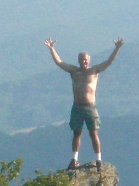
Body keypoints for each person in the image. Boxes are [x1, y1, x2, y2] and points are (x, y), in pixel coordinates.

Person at [45, 37, 124, 171]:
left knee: (94, 134)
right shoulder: (74, 71)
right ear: (78, 61)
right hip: (77, 107)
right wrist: (52, 49)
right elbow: (60, 62)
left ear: (89, 60)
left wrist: (117, 48)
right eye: (81, 59)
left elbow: (109, 62)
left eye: (86, 59)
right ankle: (74, 159)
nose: (84, 61)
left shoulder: (94, 71)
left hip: (90, 107)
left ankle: (99, 160)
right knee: (77, 133)